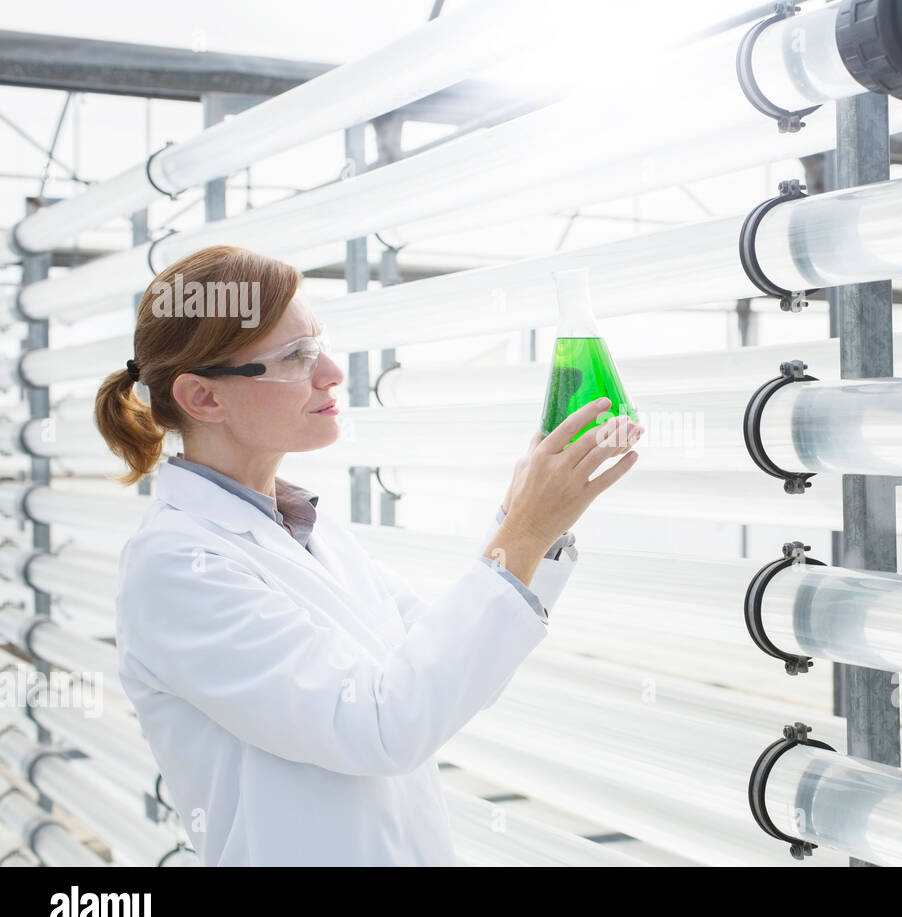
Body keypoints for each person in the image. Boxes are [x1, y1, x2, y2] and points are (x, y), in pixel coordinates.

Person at [93, 245, 643, 865]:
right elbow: (383, 727)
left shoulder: (305, 532)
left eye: (320, 344)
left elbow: (445, 675)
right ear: (204, 399)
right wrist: (525, 529)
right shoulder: (175, 569)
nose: (331, 371)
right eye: (296, 357)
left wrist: (528, 521)